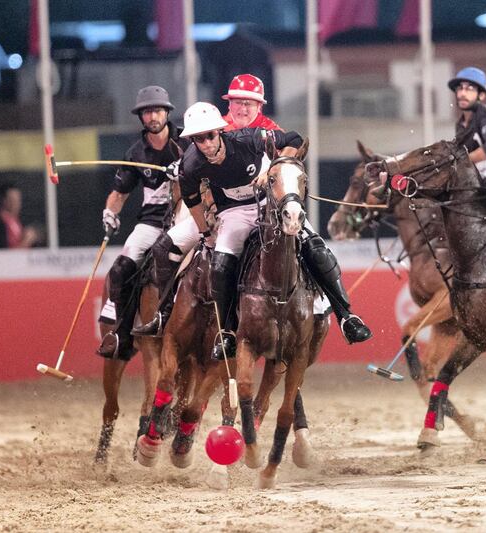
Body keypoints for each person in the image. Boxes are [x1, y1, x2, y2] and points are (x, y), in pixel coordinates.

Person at [173, 102, 371, 359]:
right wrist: (205, 233)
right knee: (220, 262)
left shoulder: (250, 138)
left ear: (220, 132)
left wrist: (270, 169)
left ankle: (347, 316)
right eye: (199, 139)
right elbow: (192, 200)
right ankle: (227, 333)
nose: (207, 143)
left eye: (210, 135)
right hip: (234, 213)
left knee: (314, 244)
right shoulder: (190, 164)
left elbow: (294, 139)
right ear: (192, 140)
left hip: (272, 204)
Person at [133, 73, 283, 337]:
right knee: (164, 247)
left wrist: (272, 172)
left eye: (250, 103)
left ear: (260, 106)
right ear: (229, 103)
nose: (243, 108)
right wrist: (180, 168)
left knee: (305, 241)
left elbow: (290, 166)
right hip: (216, 210)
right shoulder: (214, 124)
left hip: (264, 208)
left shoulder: (269, 130)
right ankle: (162, 313)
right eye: (238, 102)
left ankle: (318, 304)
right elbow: (192, 161)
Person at [97, 85, 190, 358]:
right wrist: (110, 213)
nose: (153, 116)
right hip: (151, 223)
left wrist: (185, 166)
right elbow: (119, 193)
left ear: (167, 112)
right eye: (147, 112)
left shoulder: (187, 142)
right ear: (141, 117)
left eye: (157, 110)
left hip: (187, 220)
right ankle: (121, 336)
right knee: (124, 263)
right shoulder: (135, 154)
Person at [0, 183, 41, 248]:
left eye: (18, 200)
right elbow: (4, 254)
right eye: (12, 200)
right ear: (4, 201)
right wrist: (27, 241)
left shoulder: (16, 220)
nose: (17, 204)